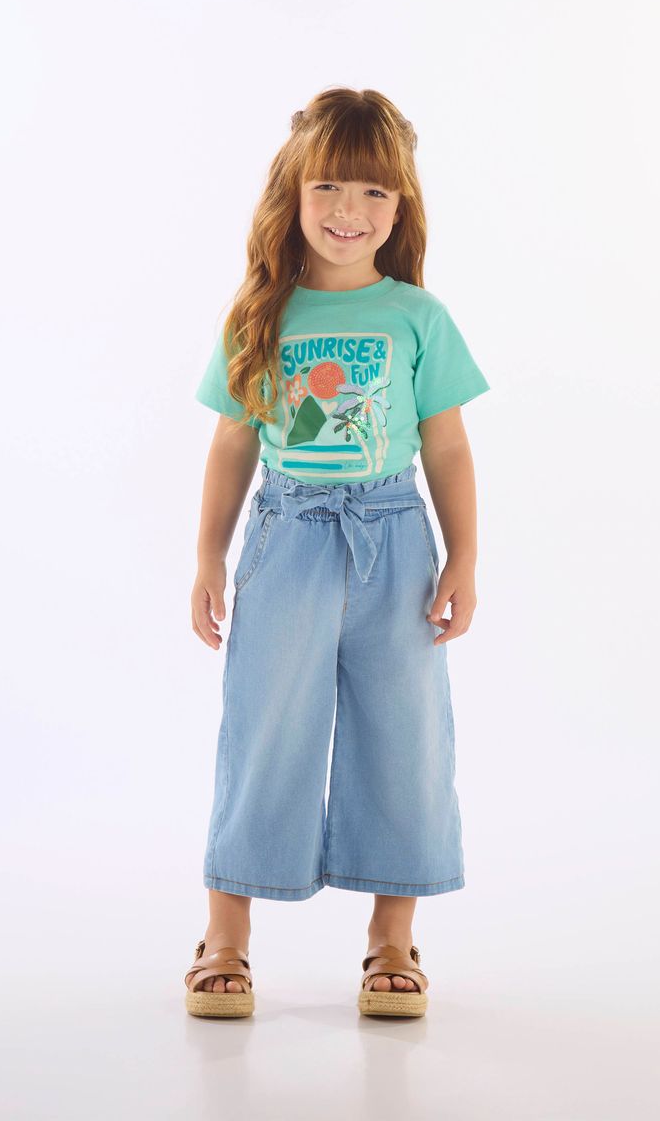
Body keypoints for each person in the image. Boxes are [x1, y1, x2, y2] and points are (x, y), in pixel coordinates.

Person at [185, 88, 491, 1019]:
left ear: (400, 208)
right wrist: (208, 555)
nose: (348, 211)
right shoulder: (260, 313)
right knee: (264, 728)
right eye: (328, 186)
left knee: (403, 732)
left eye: (373, 192)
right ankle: (225, 936)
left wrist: (464, 556)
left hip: (395, 544)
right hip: (287, 540)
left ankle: (393, 936)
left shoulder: (418, 317)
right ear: (293, 190)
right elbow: (234, 441)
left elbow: (446, 446)